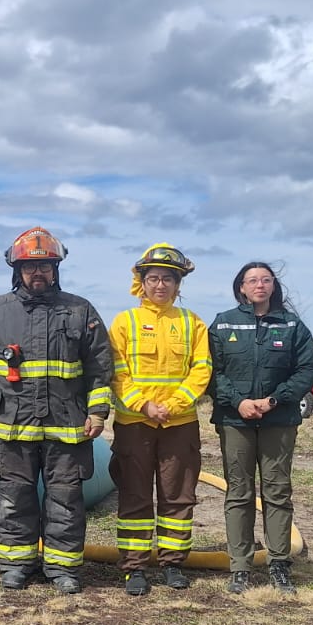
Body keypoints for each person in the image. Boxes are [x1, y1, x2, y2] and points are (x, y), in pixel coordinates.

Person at [0, 227, 113, 594]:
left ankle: (63, 568)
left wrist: (97, 414)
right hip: (12, 426)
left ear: (56, 268)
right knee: (13, 497)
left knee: (66, 497)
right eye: (31, 267)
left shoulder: (80, 310)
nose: (38, 273)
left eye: (45, 266)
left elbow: (99, 368)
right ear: (17, 270)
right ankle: (16, 564)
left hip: (67, 425)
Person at [108, 244, 213, 596]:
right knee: (134, 496)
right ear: (141, 282)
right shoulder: (125, 322)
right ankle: (134, 568)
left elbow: (202, 369)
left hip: (179, 424)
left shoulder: (193, 322)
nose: (160, 285)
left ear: (178, 284)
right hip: (134, 424)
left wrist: (175, 403)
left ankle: (172, 564)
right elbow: (117, 371)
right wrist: (143, 405)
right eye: (153, 278)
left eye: (168, 278)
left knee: (178, 497)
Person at [208, 261, 313, 595]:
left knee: (277, 492)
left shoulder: (291, 325)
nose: (259, 285)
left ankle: (279, 564)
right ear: (241, 286)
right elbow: (212, 371)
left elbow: (306, 369)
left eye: (265, 280)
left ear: (273, 286)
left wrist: (272, 401)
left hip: (278, 420)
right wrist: (238, 401)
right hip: (235, 419)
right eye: (252, 280)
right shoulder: (223, 323)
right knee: (238, 492)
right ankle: (240, 566)